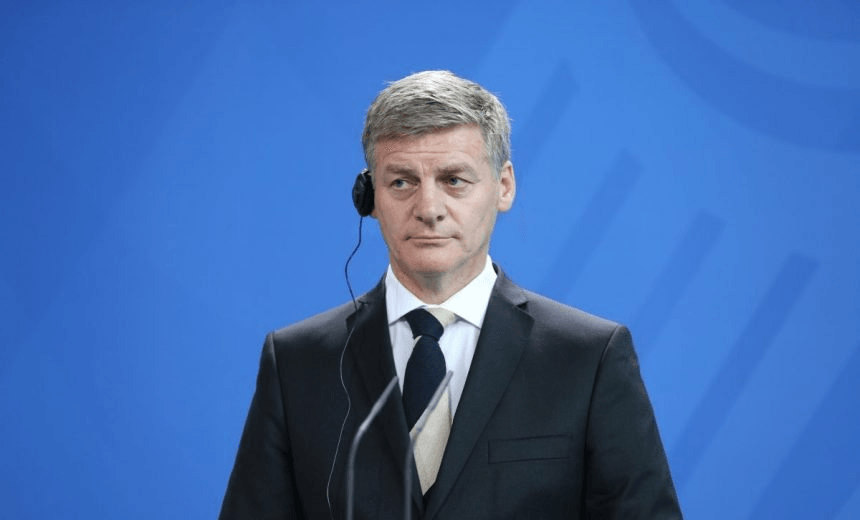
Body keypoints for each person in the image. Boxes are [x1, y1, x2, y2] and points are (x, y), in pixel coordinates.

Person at [219, 70, 682, 519]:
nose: (428, 209)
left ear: (503, 187)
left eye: (454, 180)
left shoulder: (589, 357)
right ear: (370, 197)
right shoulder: (296, 361)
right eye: (402, 182)